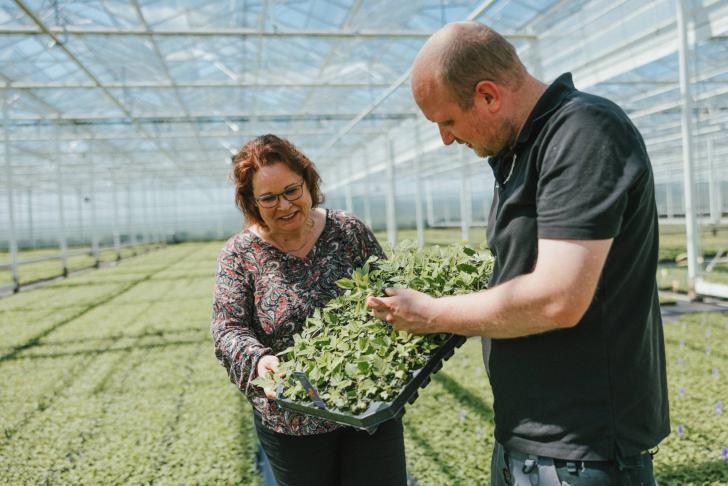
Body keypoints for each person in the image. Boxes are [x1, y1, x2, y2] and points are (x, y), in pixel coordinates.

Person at [367, 21, 668, 485]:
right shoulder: (519, 150)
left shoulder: (583, 132)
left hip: (583, 451)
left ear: (488, 96)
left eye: (447, 121)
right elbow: (521, 272)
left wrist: (433, 313)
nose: (445, 139)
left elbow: (558, 299)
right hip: (527, 438)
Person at [211, 134, 407, 486]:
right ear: (251, 202)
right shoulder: (239, 255)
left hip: (368, 404)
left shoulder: (348, 231)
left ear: (308, 182)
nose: (284, 205)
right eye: (268, 198)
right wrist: (258, 360)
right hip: (291, 421)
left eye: (291, 190)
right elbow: (228, 327)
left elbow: (389, 290)